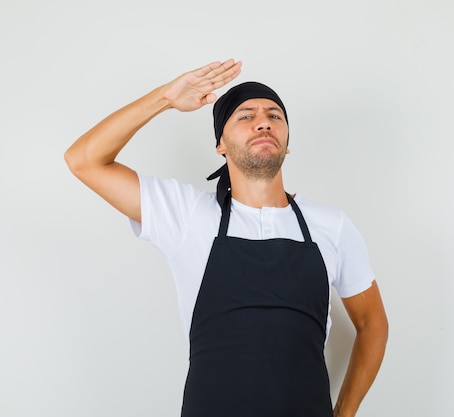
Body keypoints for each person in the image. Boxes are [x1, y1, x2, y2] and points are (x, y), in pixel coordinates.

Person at [64, 59, 388, 417]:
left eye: (274, 116)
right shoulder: (187, 215)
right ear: (220, 145)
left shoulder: (332, 226)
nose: (263, 121)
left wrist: (343, 412)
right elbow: (84, 160)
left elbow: (372, 323)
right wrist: (166, 98)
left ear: (286, 145)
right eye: (246, 116)